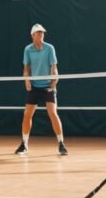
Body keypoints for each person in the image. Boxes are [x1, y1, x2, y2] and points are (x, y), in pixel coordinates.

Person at [15, 24, 67, 156]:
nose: (41, 34)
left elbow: (54, 67)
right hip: (34, 87)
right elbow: (26, 68)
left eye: (42, 33)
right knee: (27, 115)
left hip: (48, 86)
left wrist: (54, 81)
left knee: (53, 113)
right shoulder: (27, 49)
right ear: (32, 35)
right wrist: (26, 80)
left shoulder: (50, 48)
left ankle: (61, 143)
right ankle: (24, 144)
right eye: (38, 33)